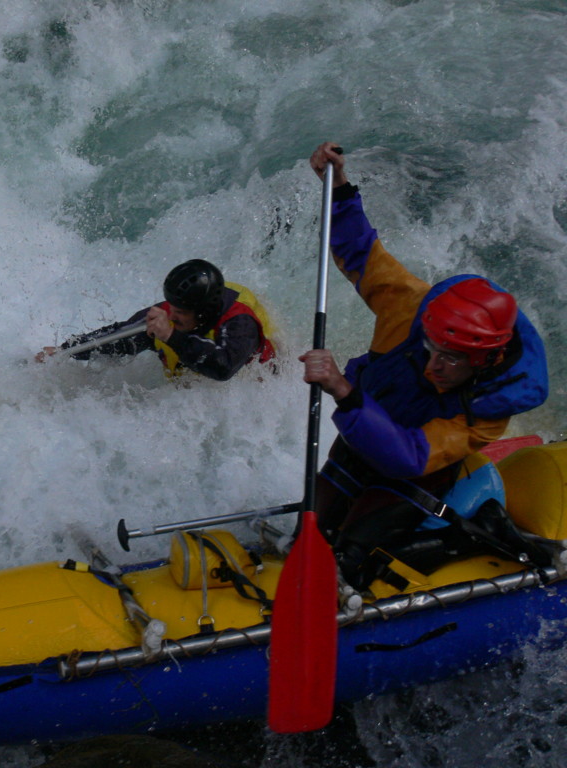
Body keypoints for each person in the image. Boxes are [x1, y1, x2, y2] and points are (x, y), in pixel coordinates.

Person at [300, 142, 549, 590]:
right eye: (429, 348)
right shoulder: (411, 307)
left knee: (350, 555)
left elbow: (410, 455)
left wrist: (343, 391)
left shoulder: (491, 406)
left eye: (450, 358)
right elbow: (360, 250)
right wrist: (337, 187)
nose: (433, 365)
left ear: (484, 360)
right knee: (309, 528)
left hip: (413, 473)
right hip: (360, 439)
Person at [37, 259, 276, 381]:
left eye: (180, 312)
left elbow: (224, 369)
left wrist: (172, 337)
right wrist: (65, 351)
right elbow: (119, 338)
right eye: (172, 307)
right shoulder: (169, 313)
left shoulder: (240, 323)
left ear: (203, 312)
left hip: (254, 377)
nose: (171, 316)